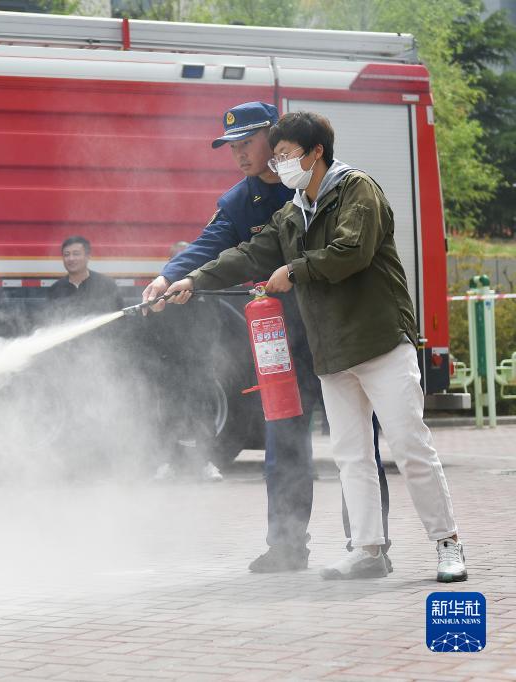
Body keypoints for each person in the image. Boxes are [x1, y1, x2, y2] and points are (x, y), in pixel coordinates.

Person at [160, 111, 466, 582]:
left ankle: (447, 544)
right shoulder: (292, 212)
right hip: (332, 353)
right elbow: (247, 254)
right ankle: (367, 550)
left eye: (285, 155)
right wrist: (189, 280)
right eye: (278, 157)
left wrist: (293, 270)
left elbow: (351, 251)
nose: (279, 165)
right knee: (351, 454)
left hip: (379, 343)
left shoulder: (356, 189)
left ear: (315, 151)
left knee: (410, 446)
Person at [143, 101, 392, 573]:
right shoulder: (240, 202)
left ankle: (369, 545)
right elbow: (211, 246)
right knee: (283, 441)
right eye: (231, 147)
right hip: (285, 339)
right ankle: (286, 545)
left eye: (247, 144)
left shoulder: (329, 187)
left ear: (277, 141)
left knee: (357, 444)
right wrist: (170, 276)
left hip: (342, 334)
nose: (239, 154)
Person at [46, 236, 123, 316]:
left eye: (76, 254)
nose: (71, 259)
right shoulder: (55, 289)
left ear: (88, 256)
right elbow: (51, 320)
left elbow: (119, 317)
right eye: (66, 255)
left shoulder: (106, 285)